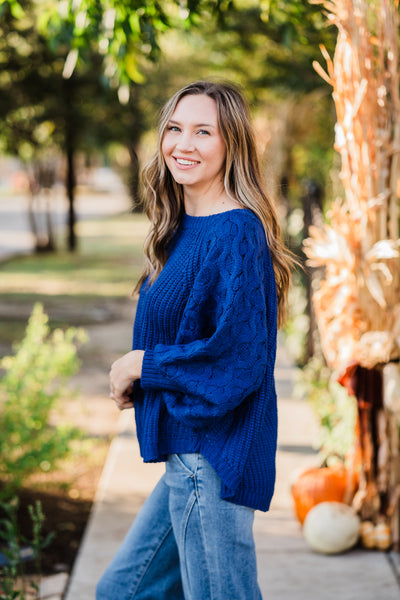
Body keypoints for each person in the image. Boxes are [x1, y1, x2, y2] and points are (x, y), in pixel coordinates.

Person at [96, 80, 294, 600]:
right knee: (121, 590)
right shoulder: (186, 224)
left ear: (231, 143)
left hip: (214, 458)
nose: (183, 144)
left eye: (203, 131)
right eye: (175, 129)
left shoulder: (236, 232)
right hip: (189, 455)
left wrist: (142, 365)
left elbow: (240, 359)